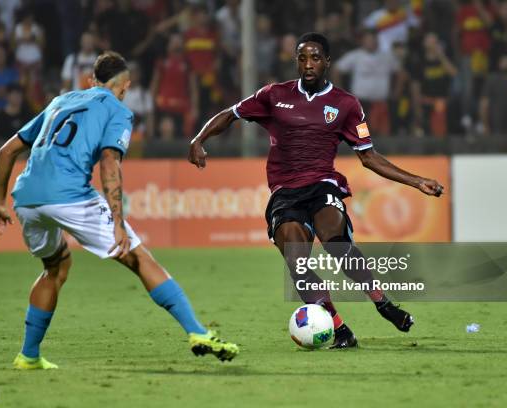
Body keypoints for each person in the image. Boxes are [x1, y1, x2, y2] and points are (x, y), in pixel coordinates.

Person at [188, 32, 444, 349]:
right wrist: (199, 139)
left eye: (315, 57)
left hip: (322, 185)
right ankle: (340, 329)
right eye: (302, 57)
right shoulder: (273, 95)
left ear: (327, 61)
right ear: (296, 61)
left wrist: (417, 181)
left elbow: (368, 156)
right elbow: (231, 114)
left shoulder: (346, 104)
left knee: (336, 243)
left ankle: (383, 303)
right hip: (284, 193)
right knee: (297, 263)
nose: (308, 64)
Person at [0, 51, 238, 370]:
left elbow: (7, 150)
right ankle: (198, 333)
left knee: (55, 266)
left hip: (26, 198)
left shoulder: (59, 102)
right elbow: (109, 162)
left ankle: (29, 356)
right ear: (124, 87)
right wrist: (117, 221)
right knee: (138, 256)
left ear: (92, 81)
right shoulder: (117, 110)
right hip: (70, 195)